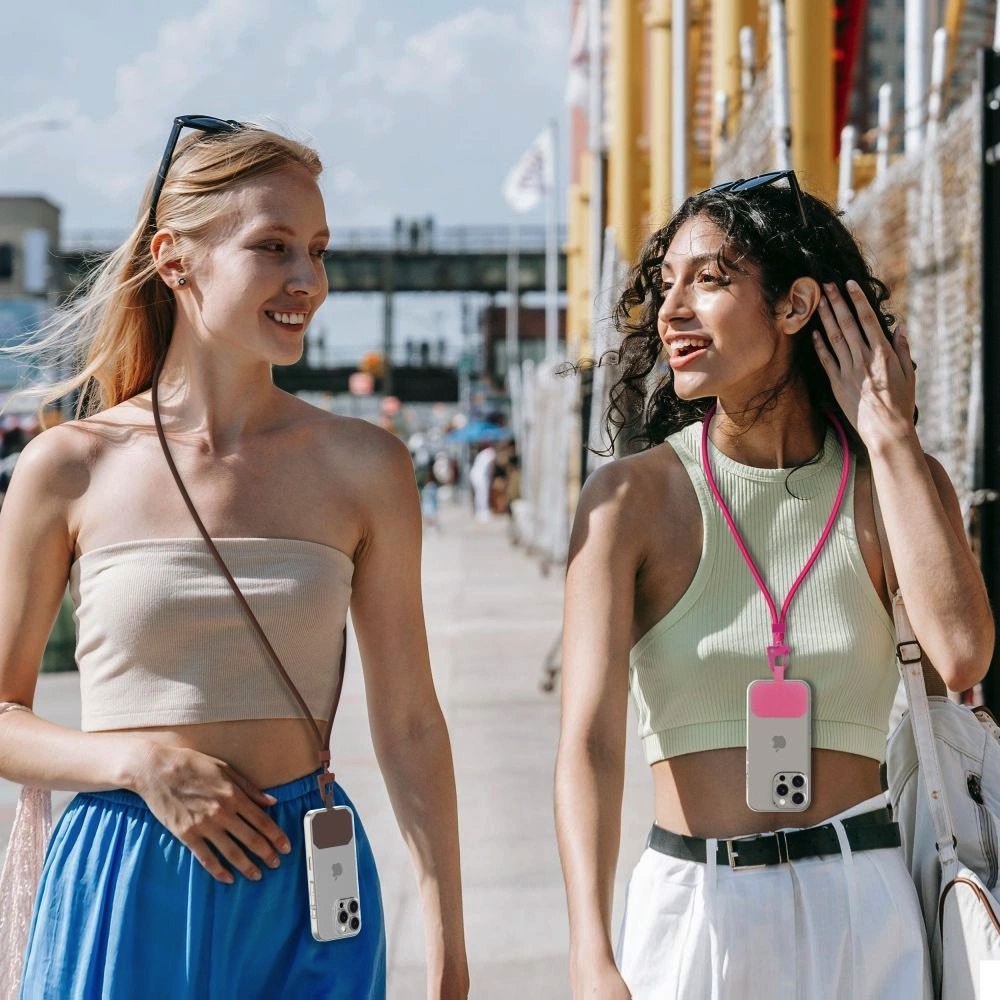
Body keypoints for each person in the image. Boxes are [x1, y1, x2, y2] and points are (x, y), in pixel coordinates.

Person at [0, 117, 468, 999]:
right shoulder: (69, 466)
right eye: (273, 246)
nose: (308, 281)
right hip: (126, 877)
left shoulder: (366, 466)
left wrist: (448, 947)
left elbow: (409, 723)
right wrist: (139, 763)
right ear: (175, 260)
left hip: (306, 889)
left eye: (318, 251)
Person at [554, 171, 993, 999]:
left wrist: (892, 437)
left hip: (865, 904)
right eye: (666, 284)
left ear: (794, 306)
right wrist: (589, 948)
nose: (672, 309)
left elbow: (962, 657)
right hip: (693, 907)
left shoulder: (891, 482)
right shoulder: (629, 501)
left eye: (708, 279)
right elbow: (590, 742)